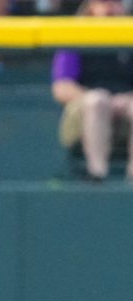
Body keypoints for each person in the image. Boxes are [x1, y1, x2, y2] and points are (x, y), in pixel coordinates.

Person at [51, 0, 133, 182]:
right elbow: (61, 88)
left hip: (126, 109)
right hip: (84, 114)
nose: (110, 8)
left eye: (116, 3)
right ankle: (96, 174)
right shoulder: (76, 35)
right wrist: (101, 99)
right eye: (103, 3)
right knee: (97, 100)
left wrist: (126, 99)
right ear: (91, 7)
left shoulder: (130, 35)